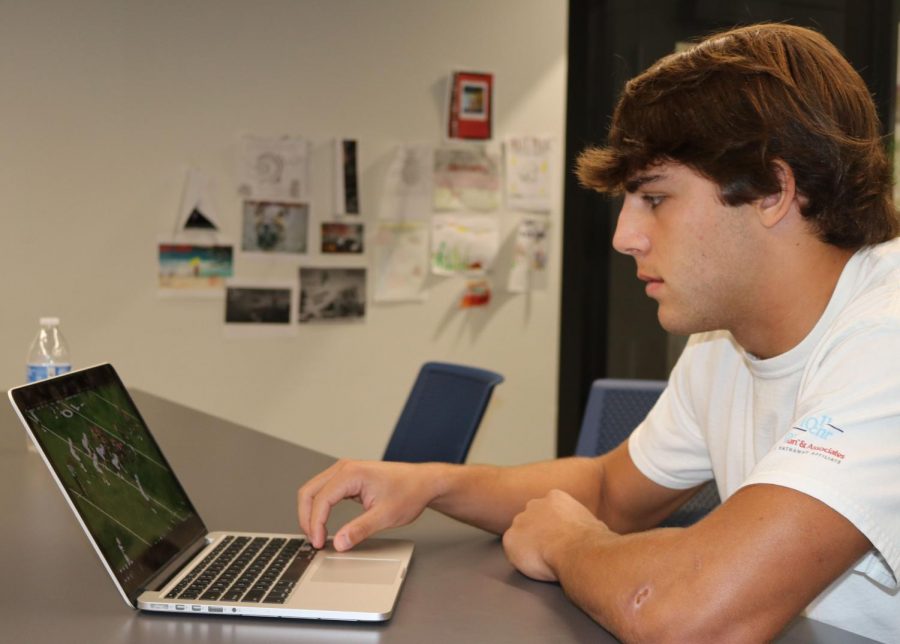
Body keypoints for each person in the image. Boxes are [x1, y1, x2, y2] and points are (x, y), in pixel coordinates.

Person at [298, 23, 900, 642]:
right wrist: (434, 482)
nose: (624, 236)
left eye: (655, 199)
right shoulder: (723, 343)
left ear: (773, 190)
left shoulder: (887, 339)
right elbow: (612, 489)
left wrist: (571, 545)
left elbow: (690, 613)